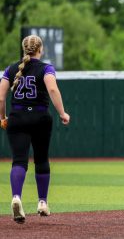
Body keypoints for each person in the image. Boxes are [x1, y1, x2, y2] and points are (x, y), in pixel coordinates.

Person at [0, 35, 70, 224]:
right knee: (41, 158)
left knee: (19, 161)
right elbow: (53, 90)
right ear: (40, 49)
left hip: (17, 118)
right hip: (40, 118)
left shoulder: (11, 69)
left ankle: (16, 197)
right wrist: (63, 113)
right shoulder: (46, 68)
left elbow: (1, 97)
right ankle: (42, 203)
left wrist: (2, 117)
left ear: (24, 49)